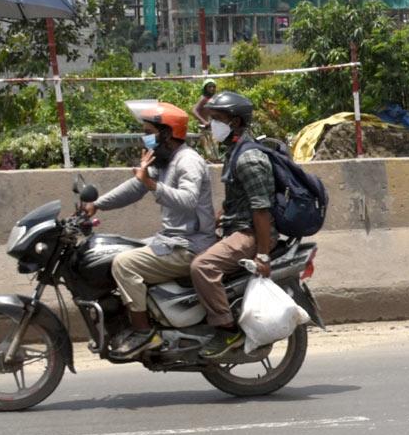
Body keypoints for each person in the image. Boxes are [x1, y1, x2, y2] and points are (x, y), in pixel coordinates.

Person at [80, 100, 215, 355]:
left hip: (190, 245)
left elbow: (189, 200)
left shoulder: (188, 161)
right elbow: (135, 186)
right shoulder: (166, 161)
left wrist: (153, 186)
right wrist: (97, 205)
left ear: (166, 133)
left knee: (124, 264)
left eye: (149, 133)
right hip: (170, 241)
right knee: (116, 251)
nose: (145, 139)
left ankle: (143, 333)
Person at [190, 90, 281, 356]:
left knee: (202, 267)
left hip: (251, 233)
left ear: (235, 122)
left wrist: (263, 254)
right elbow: (237, 200)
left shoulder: (249, 158)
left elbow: (261, 210)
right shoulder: (235, 151)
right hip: (237, 227)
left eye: (217, 119)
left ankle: (227, 331)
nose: (211, 125)